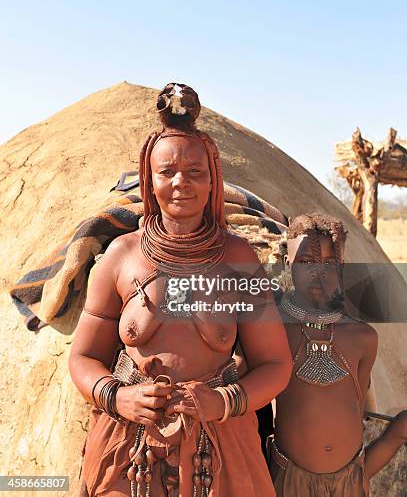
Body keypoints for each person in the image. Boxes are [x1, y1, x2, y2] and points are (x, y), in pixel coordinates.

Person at [69, 83, 292, 497]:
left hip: (220, 447)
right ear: (149, 181)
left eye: (195, 172)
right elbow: (83, 357)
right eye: (166, 172)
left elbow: (276, 364)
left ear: (213, 182)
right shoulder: (121, 255)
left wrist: (223, 401)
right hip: (127, 446)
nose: (180, 183)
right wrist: (119, 398)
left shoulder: (238, 258)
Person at [269, 213, 407, 496]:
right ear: (287, 265)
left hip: (350, 482)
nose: (317, 273)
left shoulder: (363, 337)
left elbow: (356, 407)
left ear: (341, 267)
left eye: (329, 263)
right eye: (305, 262)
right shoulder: (274, 331)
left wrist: (395, 435)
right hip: (288, 479)